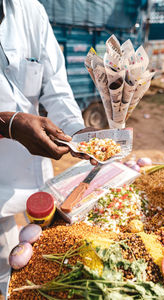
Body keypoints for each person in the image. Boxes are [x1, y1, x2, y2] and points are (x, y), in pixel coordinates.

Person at [0, 0, 97, 296]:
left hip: (31, 170)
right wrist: (6, 124)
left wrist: (76, 131)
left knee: (36, 257)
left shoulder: (30, 10)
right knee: (5, 265)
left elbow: (54, 85)